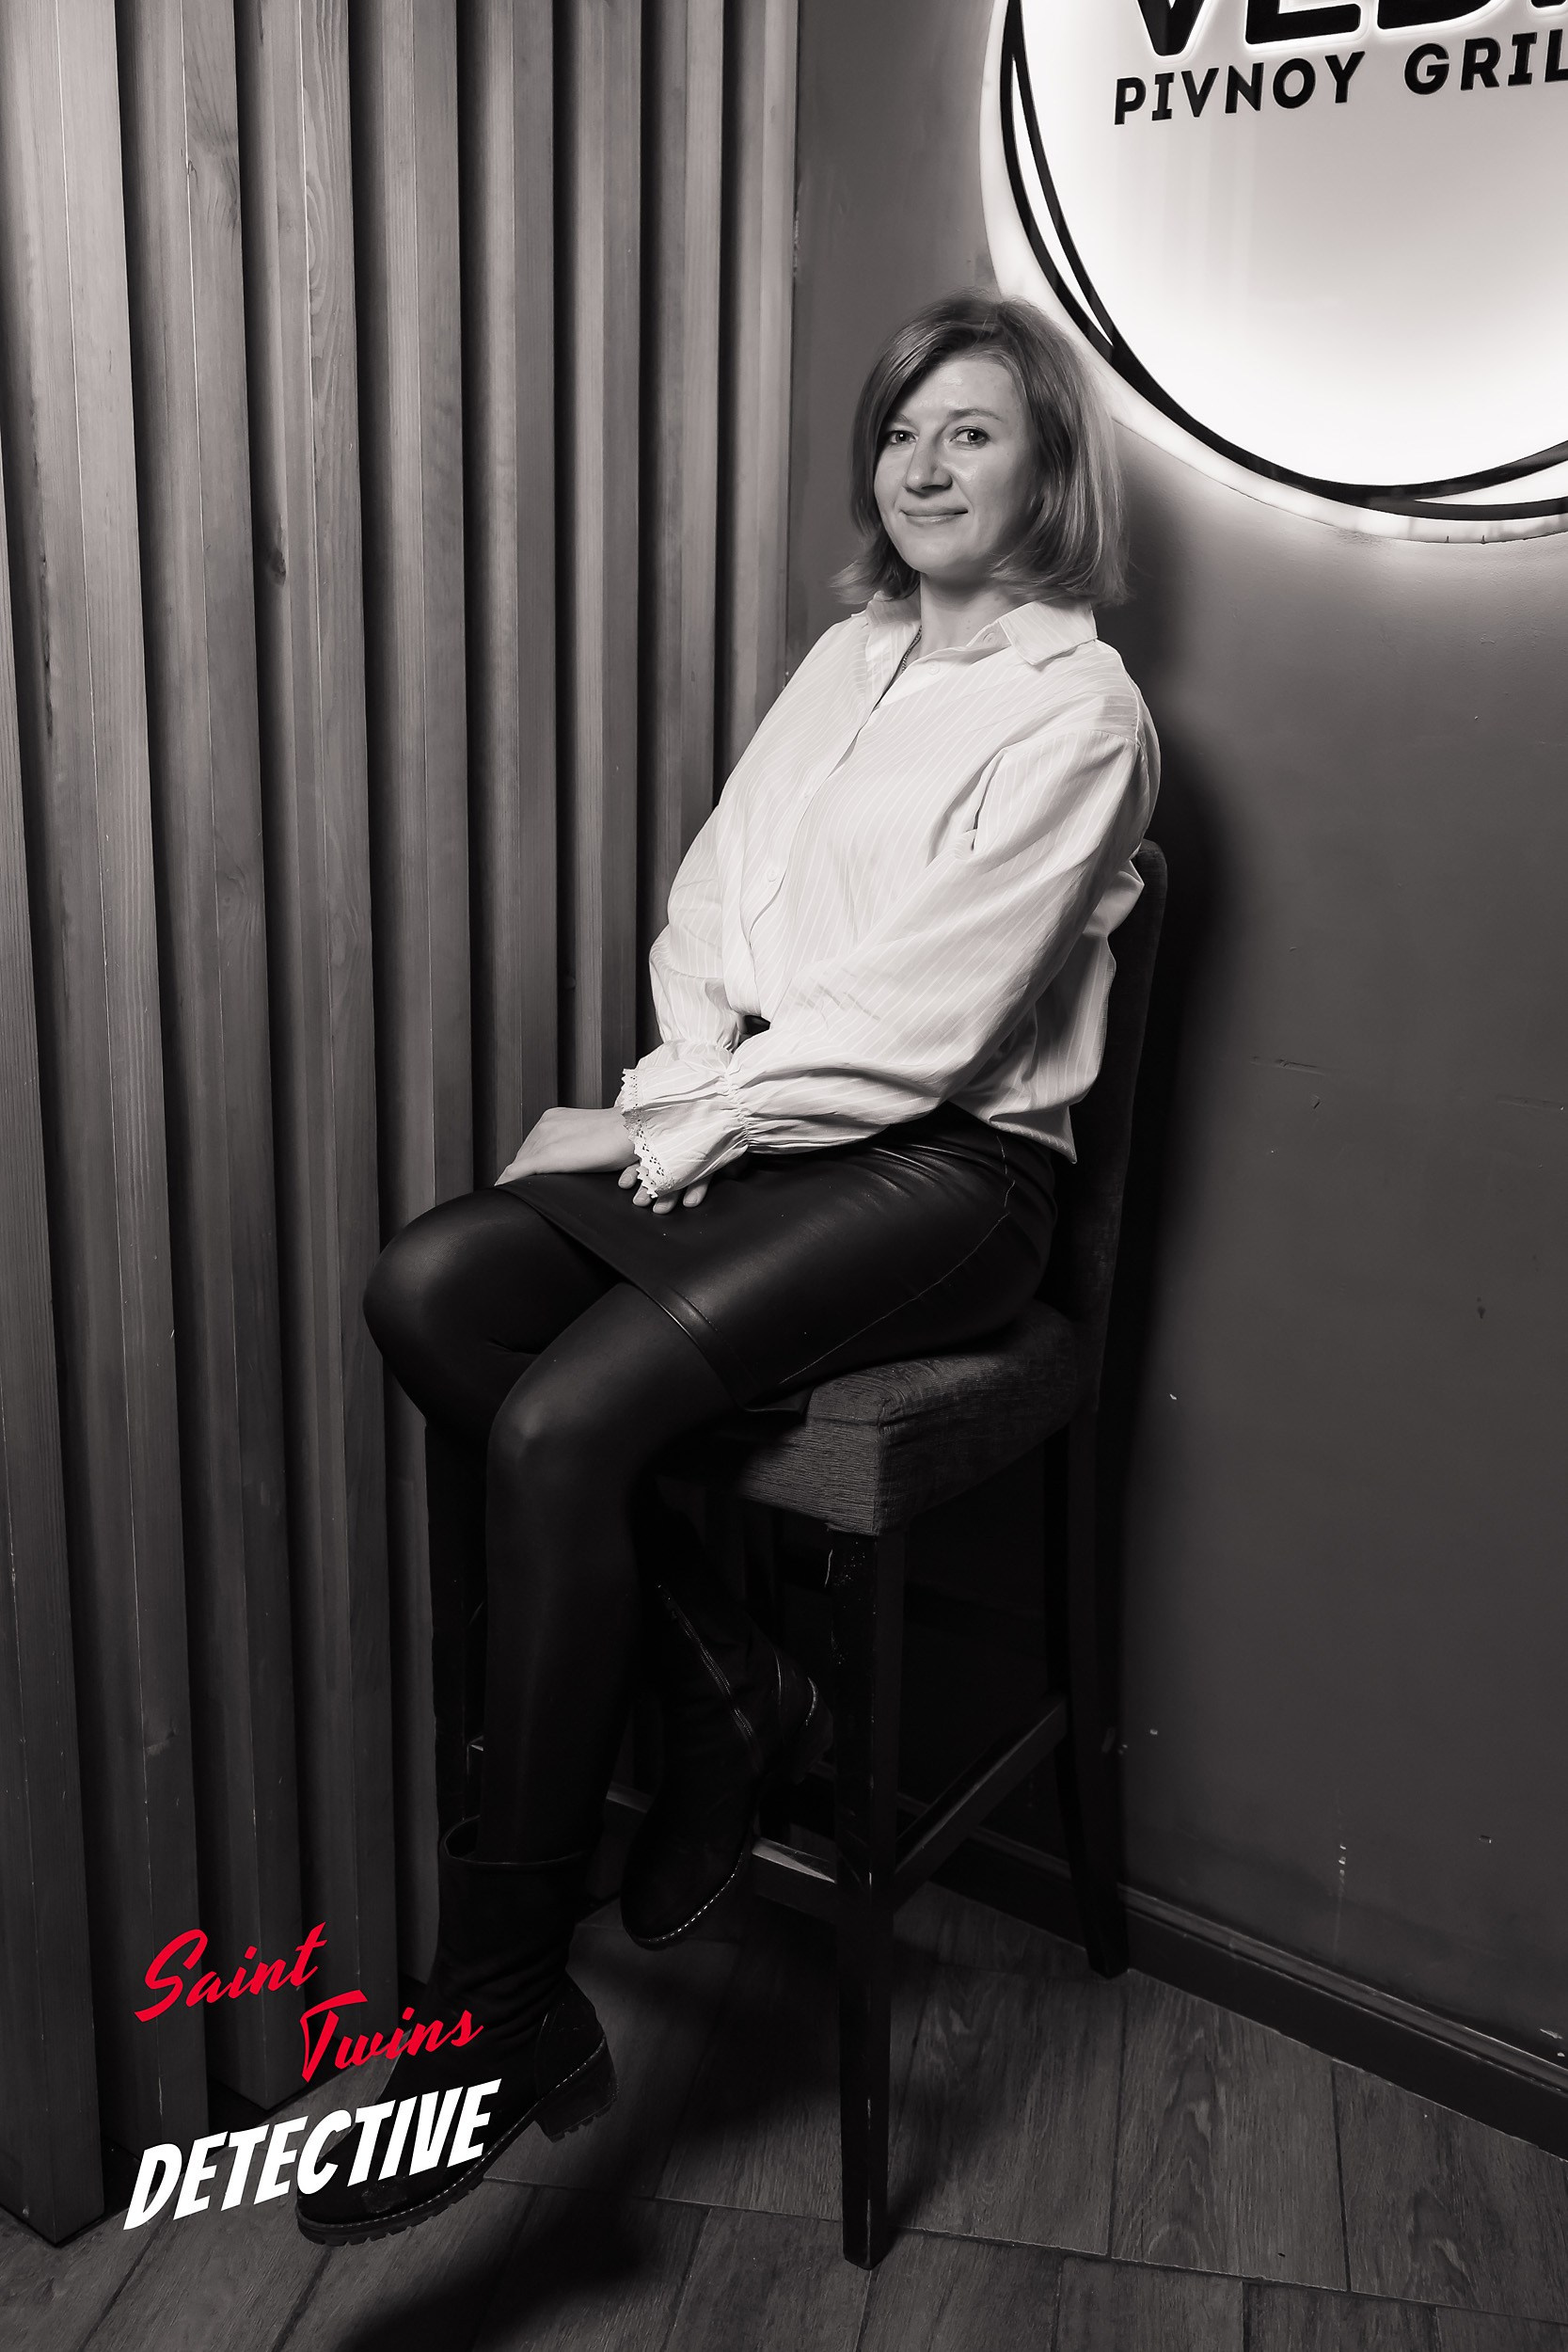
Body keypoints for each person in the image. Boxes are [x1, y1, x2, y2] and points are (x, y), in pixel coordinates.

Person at [296, 291, 1158, 2245]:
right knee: (431, 1286)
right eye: (901, 432)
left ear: (1048, 469)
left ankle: (498, 2004)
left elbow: (927, 1023)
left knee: (564, 1419)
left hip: (948, 1176)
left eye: (971, 433)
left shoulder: (1082, 714)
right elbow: (714, 909)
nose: (923, 466)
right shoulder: (848, 657)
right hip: (771, 1130)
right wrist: (684, 1084)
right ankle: (732, 1681)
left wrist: (660, 1129)